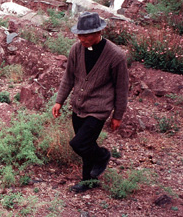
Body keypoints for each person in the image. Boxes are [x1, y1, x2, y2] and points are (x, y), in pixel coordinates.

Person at [52, 11, 129, 193]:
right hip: (78, 106)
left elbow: (121, 88)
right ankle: (88, 182)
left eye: (86, 35)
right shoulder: (76, 49)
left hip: (99, 110)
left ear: (99, 32)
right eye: (79, 34)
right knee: (87, 145)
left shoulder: (116, 56)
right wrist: (59, 101)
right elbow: (68, 78)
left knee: (79, 144)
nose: (82, 39)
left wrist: (118, 115)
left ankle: (103, 156)